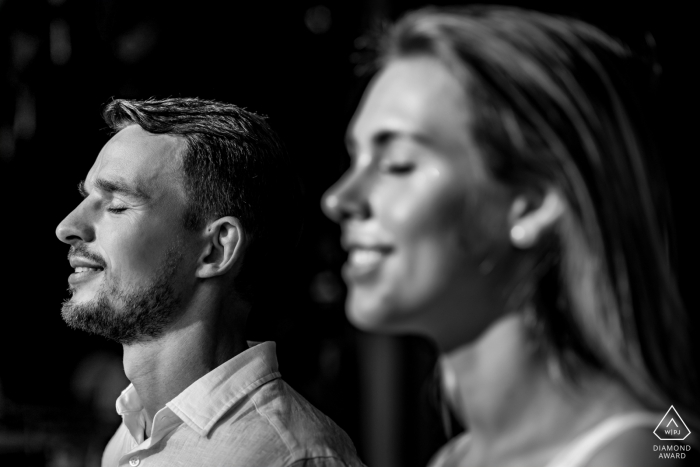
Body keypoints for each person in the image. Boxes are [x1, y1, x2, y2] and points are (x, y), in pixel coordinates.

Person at [323, 6, 698, 467]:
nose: (339, 199)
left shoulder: (637, 456)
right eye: (355, 158)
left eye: (397, 163)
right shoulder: (456, 458)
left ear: (534, 202)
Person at [56, 97, 364, 467]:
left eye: (117, 204)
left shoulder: (290, 458)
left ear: (216, 250)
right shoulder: (128, 436)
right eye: (86, 198)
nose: (67, 228)